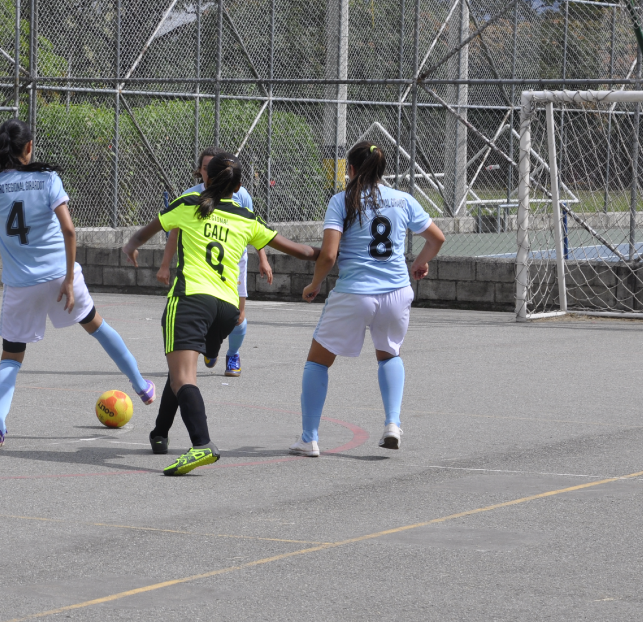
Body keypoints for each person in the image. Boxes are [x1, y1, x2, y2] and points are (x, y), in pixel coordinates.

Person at [0, 111, 156, 449]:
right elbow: (69, 230)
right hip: (58, 275)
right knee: (98, 327)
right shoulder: (47, 179)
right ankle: (142, 386)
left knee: (11, 357)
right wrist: (70, 280)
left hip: (20, 284)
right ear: (28, 147)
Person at [123, 152, 320, 476]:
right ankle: (160, 432)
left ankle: (201, 444)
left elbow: (145, 233)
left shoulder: (188, 205)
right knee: (179, 372)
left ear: (206, 178)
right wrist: (337, 251)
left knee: (185, 376)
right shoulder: (246, 219)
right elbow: (303, 251)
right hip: (228, 310)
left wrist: (130, 246)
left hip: (190, 301)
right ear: (239, 186)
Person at [291, 143, 444, 457]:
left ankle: (309, 439)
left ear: (350, 169)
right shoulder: (403, 200)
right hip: (397, 292)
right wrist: (420, 263)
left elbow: (329, 254)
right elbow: (436, 238)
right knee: (389, 355)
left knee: (317, 362)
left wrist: (314, 284)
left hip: (356, 292)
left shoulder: (342, 201)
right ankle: (392, 424)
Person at [157, 148, 274, 378]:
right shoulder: (190, 197)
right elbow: (174, 233)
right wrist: (164, 265)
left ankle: (233, 354)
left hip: (233, 261)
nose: (209, 172)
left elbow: (255, 230)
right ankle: (210, 344)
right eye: (205, 167)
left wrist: (263, 258)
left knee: (238, 316)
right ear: (201, 171)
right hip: (199, 265)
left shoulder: (241, 195)